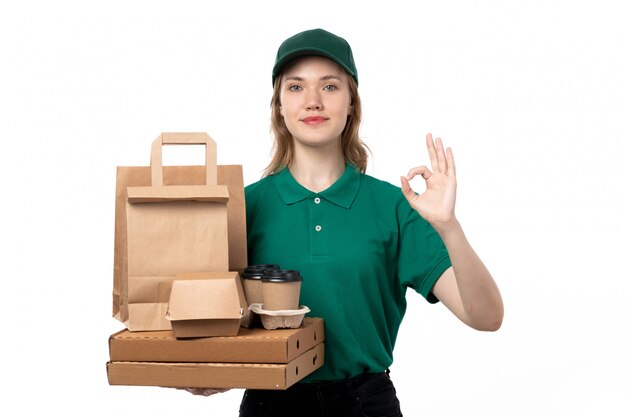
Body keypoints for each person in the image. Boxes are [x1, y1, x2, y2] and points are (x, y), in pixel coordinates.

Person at [212, 28, 503, 416]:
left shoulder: (393, 206)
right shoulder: (244, 206)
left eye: (330, 87)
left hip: (364, 404)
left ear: (351, 103)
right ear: (279, 106)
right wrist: (206, 371)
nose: (313, 101)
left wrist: (449, 226)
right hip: (269, 402)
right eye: (296, 88)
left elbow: (485, 316)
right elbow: (213, 321)